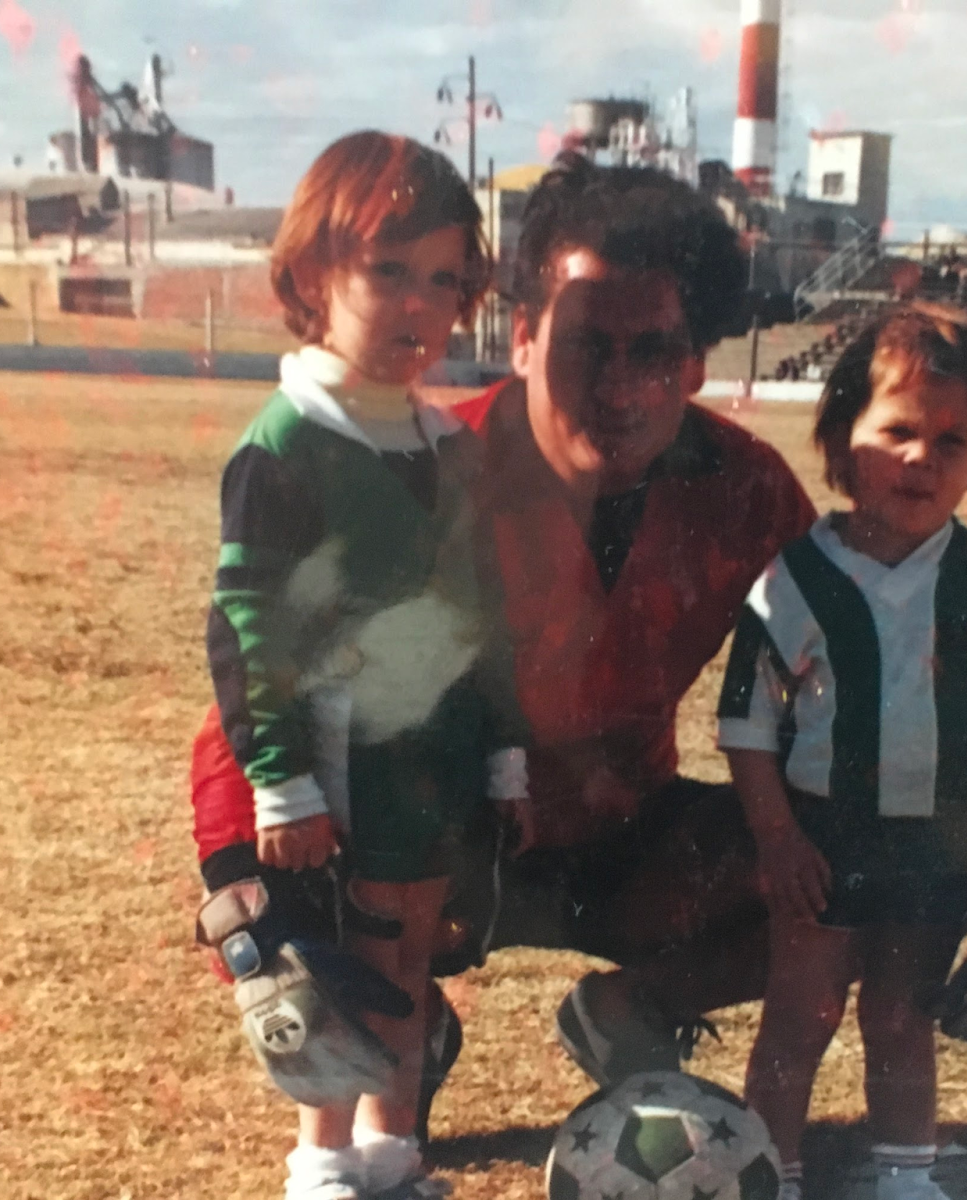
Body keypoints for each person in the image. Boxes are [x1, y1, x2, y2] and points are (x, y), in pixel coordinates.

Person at [190, 155, 818, 1114]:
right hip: (439, 836)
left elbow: (848, 673)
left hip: (622, 832)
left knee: (857, 870)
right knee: (311, 924)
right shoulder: (426, 473)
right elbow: (259, 677)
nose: (621, 387)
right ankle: (403, 1027)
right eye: (587, 345)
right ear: (521, 336)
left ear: (697, 362)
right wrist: (249, 886)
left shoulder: (751, 493)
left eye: (655, 351)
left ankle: (634, 1009)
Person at [200, 130, 523, 1200]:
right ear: (309, 275)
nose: (418, 306)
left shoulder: (448, 446)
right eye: (389, 272)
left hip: (431, 760)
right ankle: (323, 1161)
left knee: (410, 962)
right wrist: (281, 780)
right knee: (338, 962)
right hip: (338, 766)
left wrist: (506, 753)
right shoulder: (286, 443)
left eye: (443, 281)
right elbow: (252, 626)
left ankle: (393, 1150)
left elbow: (484, 615)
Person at [717, 305, 967, 1200]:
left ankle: (906, 1178)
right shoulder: (794, 579)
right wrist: (777, 838)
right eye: (899, 430)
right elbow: (748, 727)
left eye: (953, 440)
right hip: (826, 838)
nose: (923, 457)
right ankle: (773, 1174)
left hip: (941, 835)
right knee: (800, 1016)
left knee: (903, 1017)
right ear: (842, 443)